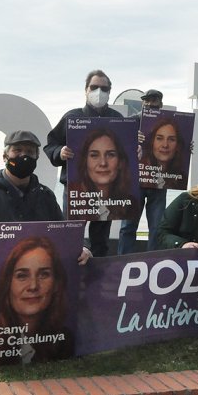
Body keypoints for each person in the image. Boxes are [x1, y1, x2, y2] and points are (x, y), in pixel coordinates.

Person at [0, 130, 91, 329]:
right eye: (17, 150)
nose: (24, 156)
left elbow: (64, 233)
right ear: (5, 156)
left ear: (37, 157)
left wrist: (82, 247)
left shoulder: (46, 196)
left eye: (30, 151)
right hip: (1, 285)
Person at [44, 70, 123, 257]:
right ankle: (71, 277)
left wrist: (136, 151)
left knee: (101, 240)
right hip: (75, 189)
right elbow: (50, 145)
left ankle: (99, 279)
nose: (99, 92)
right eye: (94, 87)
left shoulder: (119, 119)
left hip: (106, 191)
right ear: (86, 90)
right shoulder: (71, 117)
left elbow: (128, 151)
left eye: (104, 88)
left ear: (110, 92)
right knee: (71, 235)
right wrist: (60, 152)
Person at [0, 236, 74, 365]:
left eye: (44, 274)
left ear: (56, 284)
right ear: (8, 283)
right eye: (22, 276)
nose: (33, 286)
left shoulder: (65, 340)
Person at [118, 89, 168, 254]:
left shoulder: (170, 123)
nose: (150, 104)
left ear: (160, 104)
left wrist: (187, 147)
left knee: (156, 228)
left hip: (158, 182)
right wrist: (132, 139)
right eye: (147, 101)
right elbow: (117, 146)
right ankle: (123, 261)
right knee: (127, 226)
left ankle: (153, 263)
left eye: (154, 101)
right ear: (142, 103)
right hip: (134, 181)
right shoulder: (131, 122)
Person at [70, 127, 137, 220]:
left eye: (110, 155)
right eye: (94, 155)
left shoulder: (131, 204)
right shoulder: (73, 198)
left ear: (120, 162)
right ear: (85, 162)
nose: (103, 163)